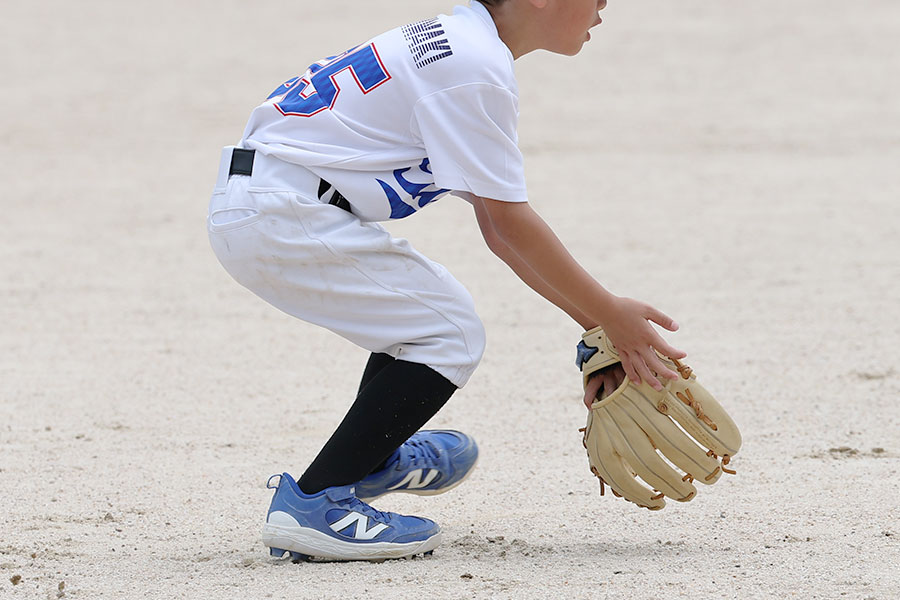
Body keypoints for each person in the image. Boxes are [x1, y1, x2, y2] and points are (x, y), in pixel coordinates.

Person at [207, 0, 686, 562]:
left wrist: (597, 328)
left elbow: (496, 227)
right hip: (283, 212)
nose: (606, 3)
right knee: (449, 331)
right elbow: (511, 225)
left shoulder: (459, 45)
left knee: (428, 321)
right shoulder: (475, 66)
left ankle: (367, 458)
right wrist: (612, 316)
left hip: (271, 202)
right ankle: (315, 503)